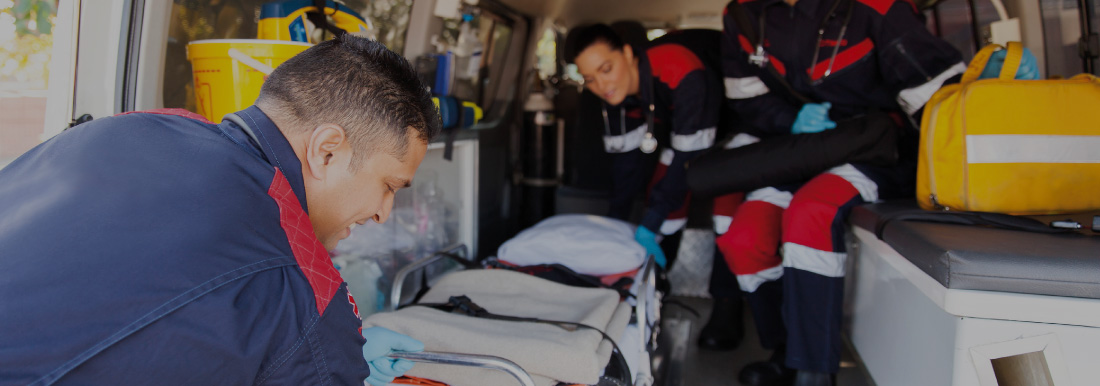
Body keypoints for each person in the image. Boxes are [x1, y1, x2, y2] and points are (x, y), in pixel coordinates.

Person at [0, 34, 438, 385]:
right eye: (388, 186)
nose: (384, 212)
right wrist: (333, 350)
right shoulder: (296, 279)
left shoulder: (126, 126)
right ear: (327, 152)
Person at [718, 0, 1039, 385]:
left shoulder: (876, 7)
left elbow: (935, 93)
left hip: (878, 149)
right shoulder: (742, 14)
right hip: (801, 150)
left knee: (810, 212)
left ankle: (813, 370)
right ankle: (785, 348)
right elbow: (744, 95)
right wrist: (791, 120)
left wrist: (991, 94)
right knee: (744, 238)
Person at [567, 24, 746, 350]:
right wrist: (616, 230)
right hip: (686, 134)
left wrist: (649, 223)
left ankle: (727, 307)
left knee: (725, 212)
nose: (601, 84)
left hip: (737, 129)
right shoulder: (612, 93)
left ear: (627, 54)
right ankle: (654, 287)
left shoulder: (679, 67)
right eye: (589, 78)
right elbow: (626, 169)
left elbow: (689, 158)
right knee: (662, 203)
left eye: (606, 69)